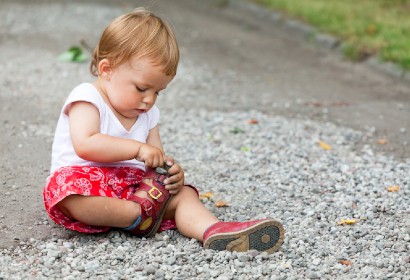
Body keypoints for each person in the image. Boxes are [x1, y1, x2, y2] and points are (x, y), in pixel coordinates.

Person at [43, 8, 284, 253]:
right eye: (141, 88)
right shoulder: (88, 97)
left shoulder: (148, 114)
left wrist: (170, 172)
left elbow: (154, 158)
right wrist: (137, 149)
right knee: (70, 196)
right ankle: (133, 216)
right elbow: (86, 143)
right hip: (87, 181)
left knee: (183, 196)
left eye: (157, 92)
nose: (149, 100)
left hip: (135, 190)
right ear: (107, 69)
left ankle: (213, 230)